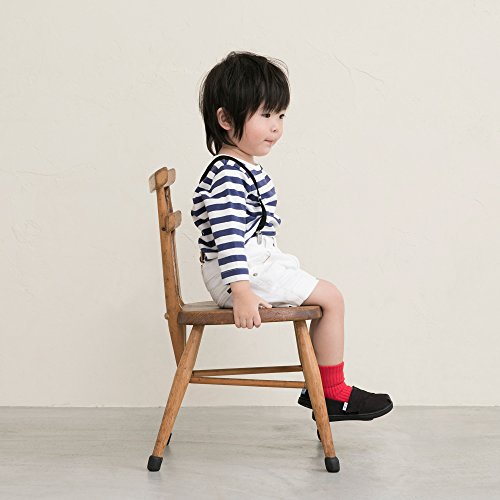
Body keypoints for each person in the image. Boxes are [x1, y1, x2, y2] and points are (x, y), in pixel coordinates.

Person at [191, 51, 393, 422]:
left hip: (248, 267)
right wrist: (241, 291)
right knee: (331, 298)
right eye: (265, 115)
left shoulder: (240, 168)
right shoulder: (228, 175)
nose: (276, 127)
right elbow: (228, 236)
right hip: (239, 273)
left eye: (280, 116)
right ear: (226, 119)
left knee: (327, 295)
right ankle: (331, 392)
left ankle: (323, 388)